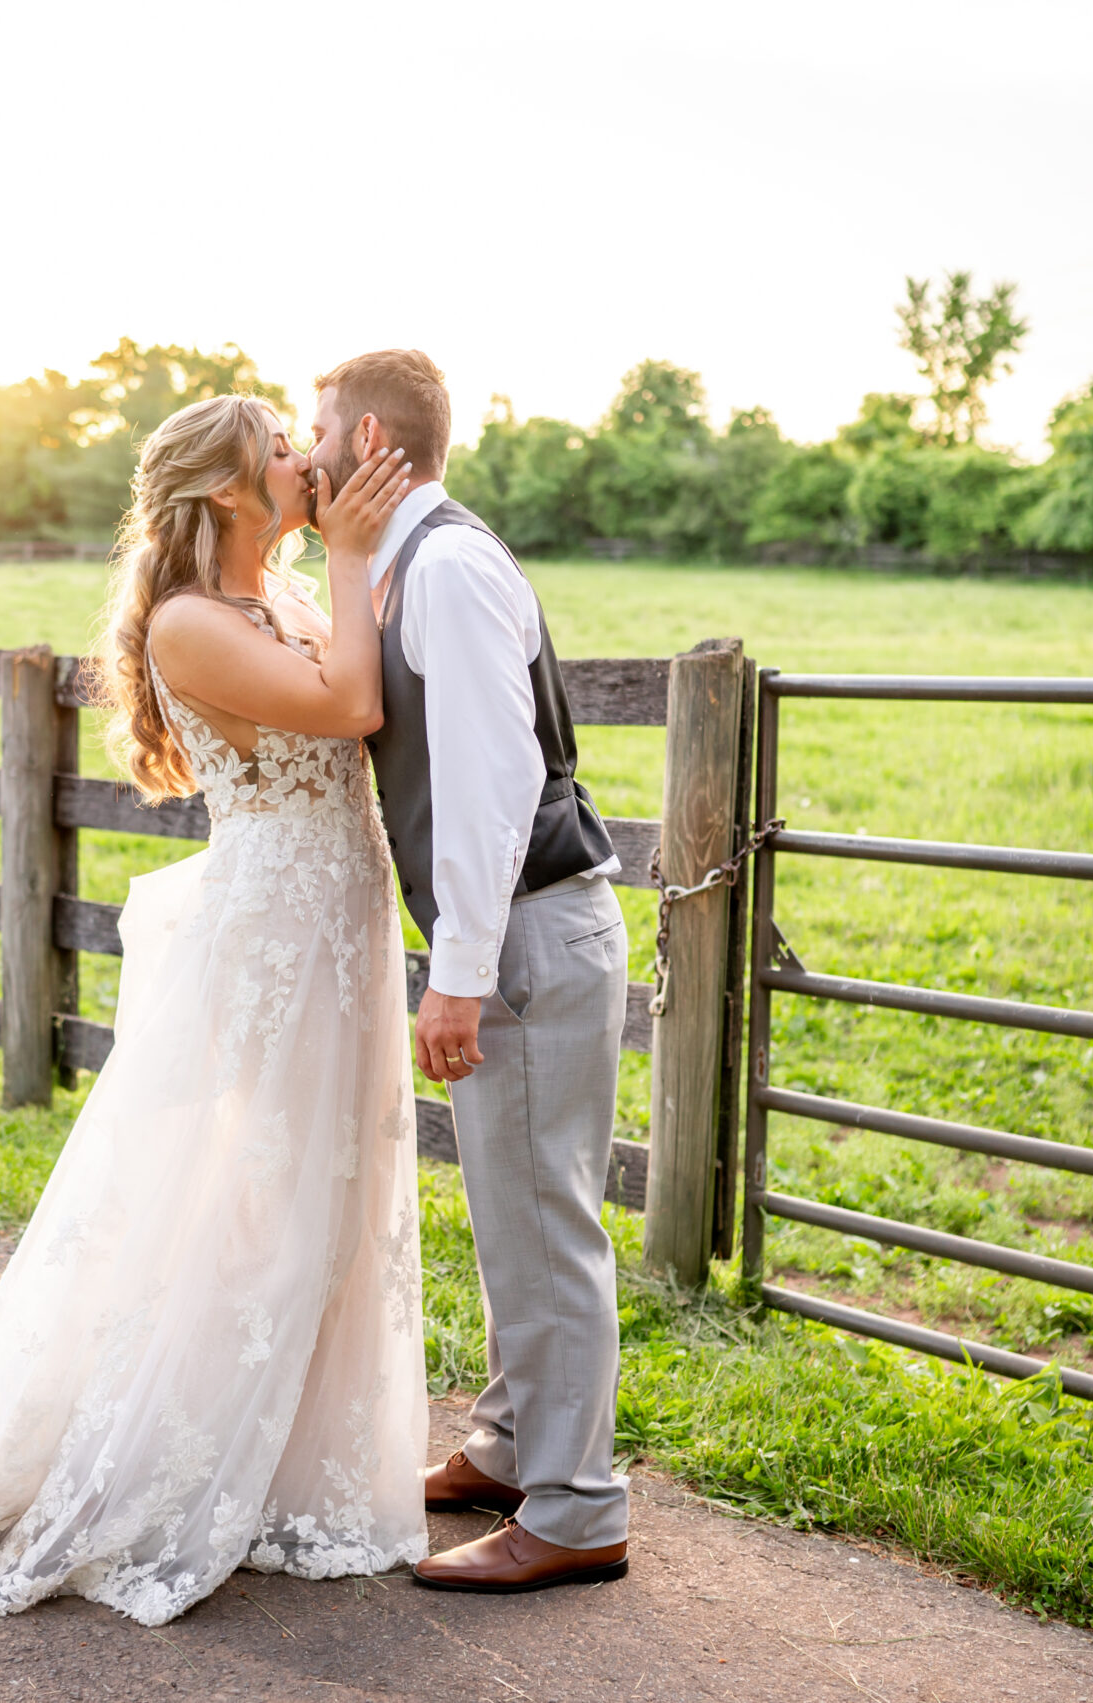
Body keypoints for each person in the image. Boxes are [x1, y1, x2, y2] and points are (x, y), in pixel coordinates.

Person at [0, 396, 427, 1626]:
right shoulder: (194, 625)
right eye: (285, 453)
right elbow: (353, 708)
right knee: (247, 1192)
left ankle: (285, 1462)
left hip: (339, 923)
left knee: (330, 1190)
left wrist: (362, 563)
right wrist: (356, 556)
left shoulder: (284, 599)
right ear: (228, 493)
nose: (309, 462)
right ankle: (165, 1458)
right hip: (274, 936)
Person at [304, 350, 632, 1594]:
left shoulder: (444, 566)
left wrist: (457, 972)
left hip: (528, 934)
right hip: (520, 930)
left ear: (371, 434)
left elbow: (495, 783)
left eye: (318, 424)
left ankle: (577, 1509)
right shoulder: (414, 563)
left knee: (545, 1220)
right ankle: (509, 1448)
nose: (308, 442)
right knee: (514, 1208)